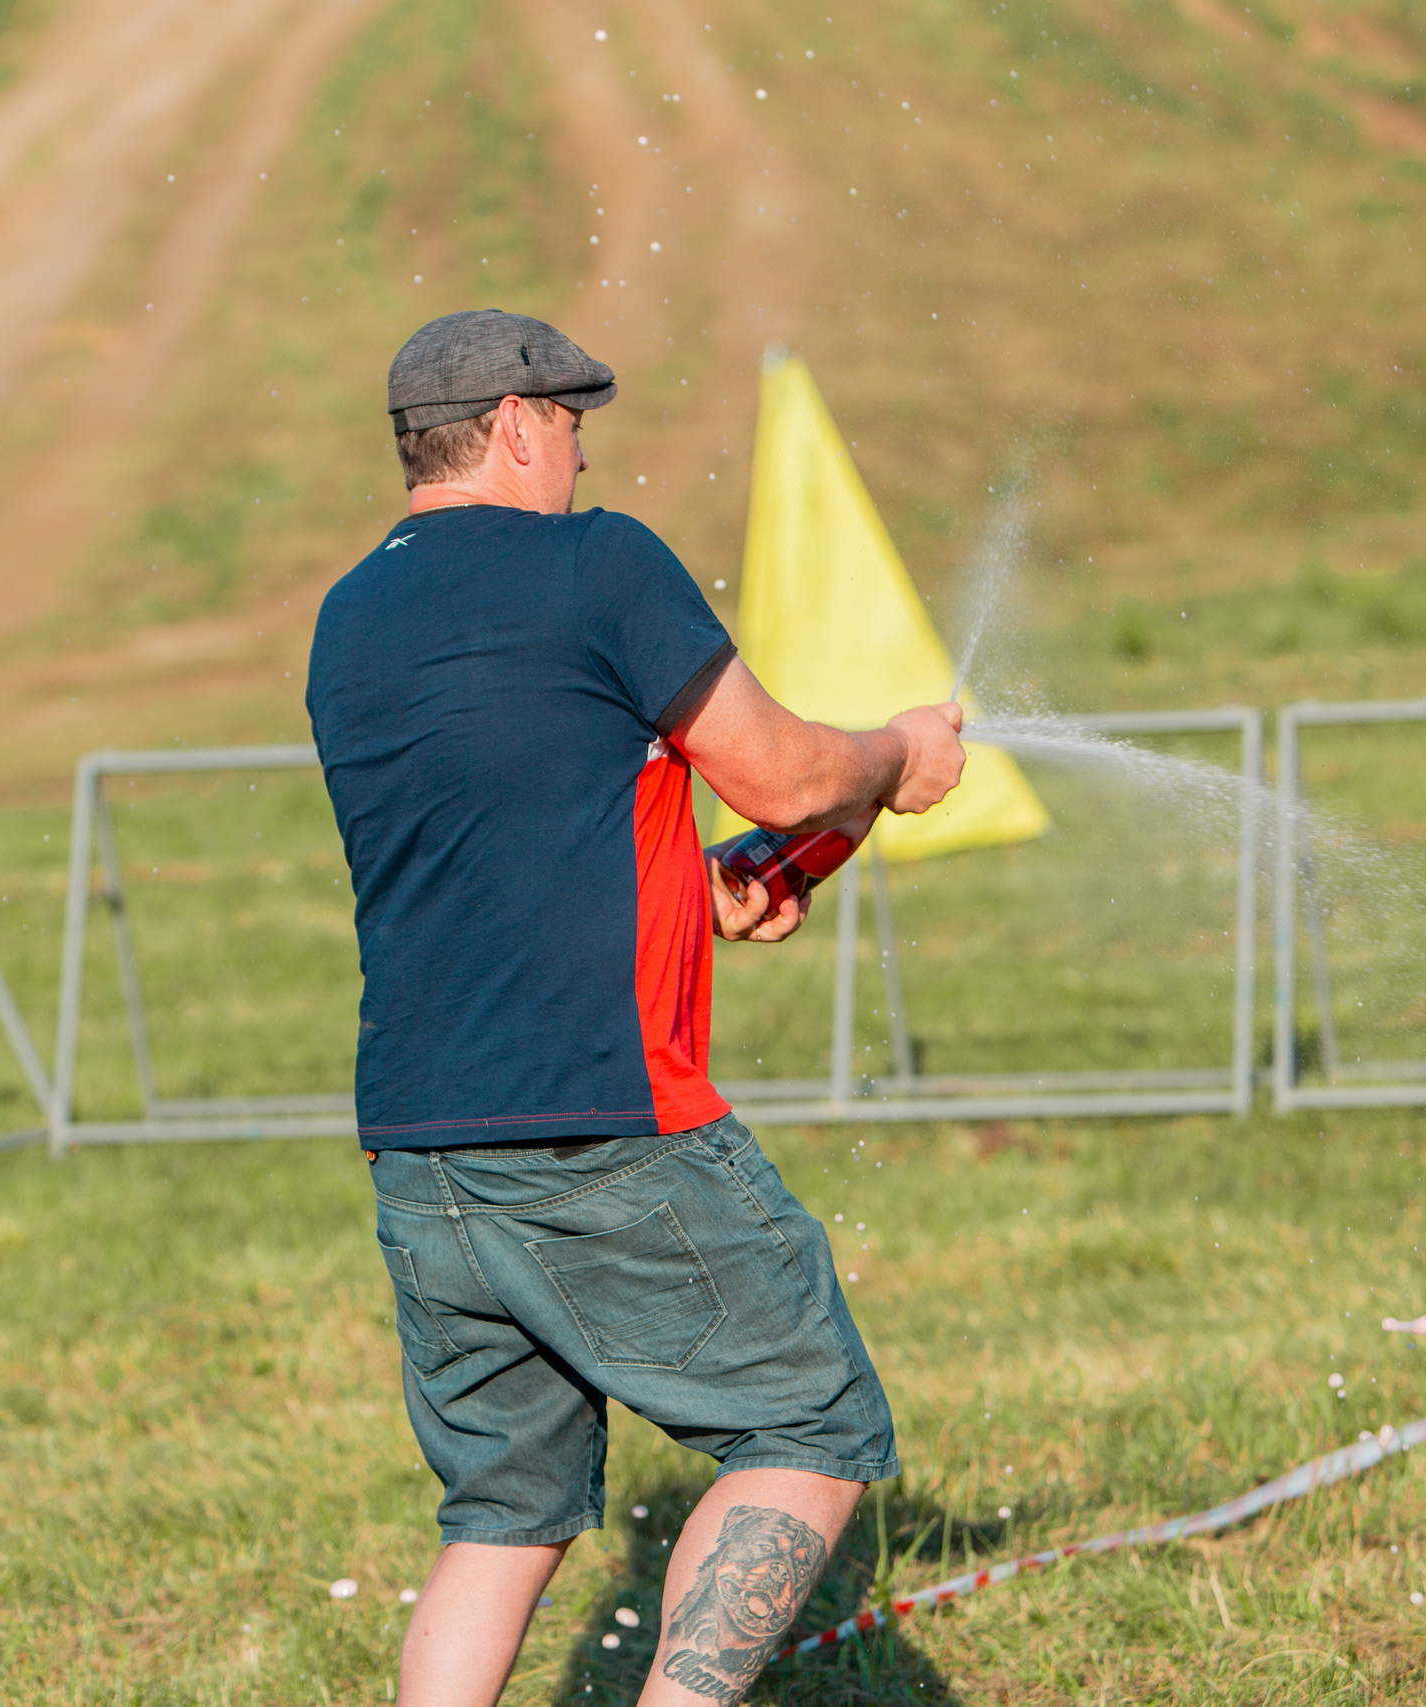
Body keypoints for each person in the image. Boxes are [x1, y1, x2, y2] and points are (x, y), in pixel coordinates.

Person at [306, 309, 966, 1706]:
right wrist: (893, 756)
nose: (581, 457)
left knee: (505, 1512)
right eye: (573, 429)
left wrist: (696, 885)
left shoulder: (351, 613)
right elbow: (782, 773)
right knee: (811, 1425)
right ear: (517, 426)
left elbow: (507, 832)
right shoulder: (598, 564)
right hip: (607, 1120)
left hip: (426, 1150)